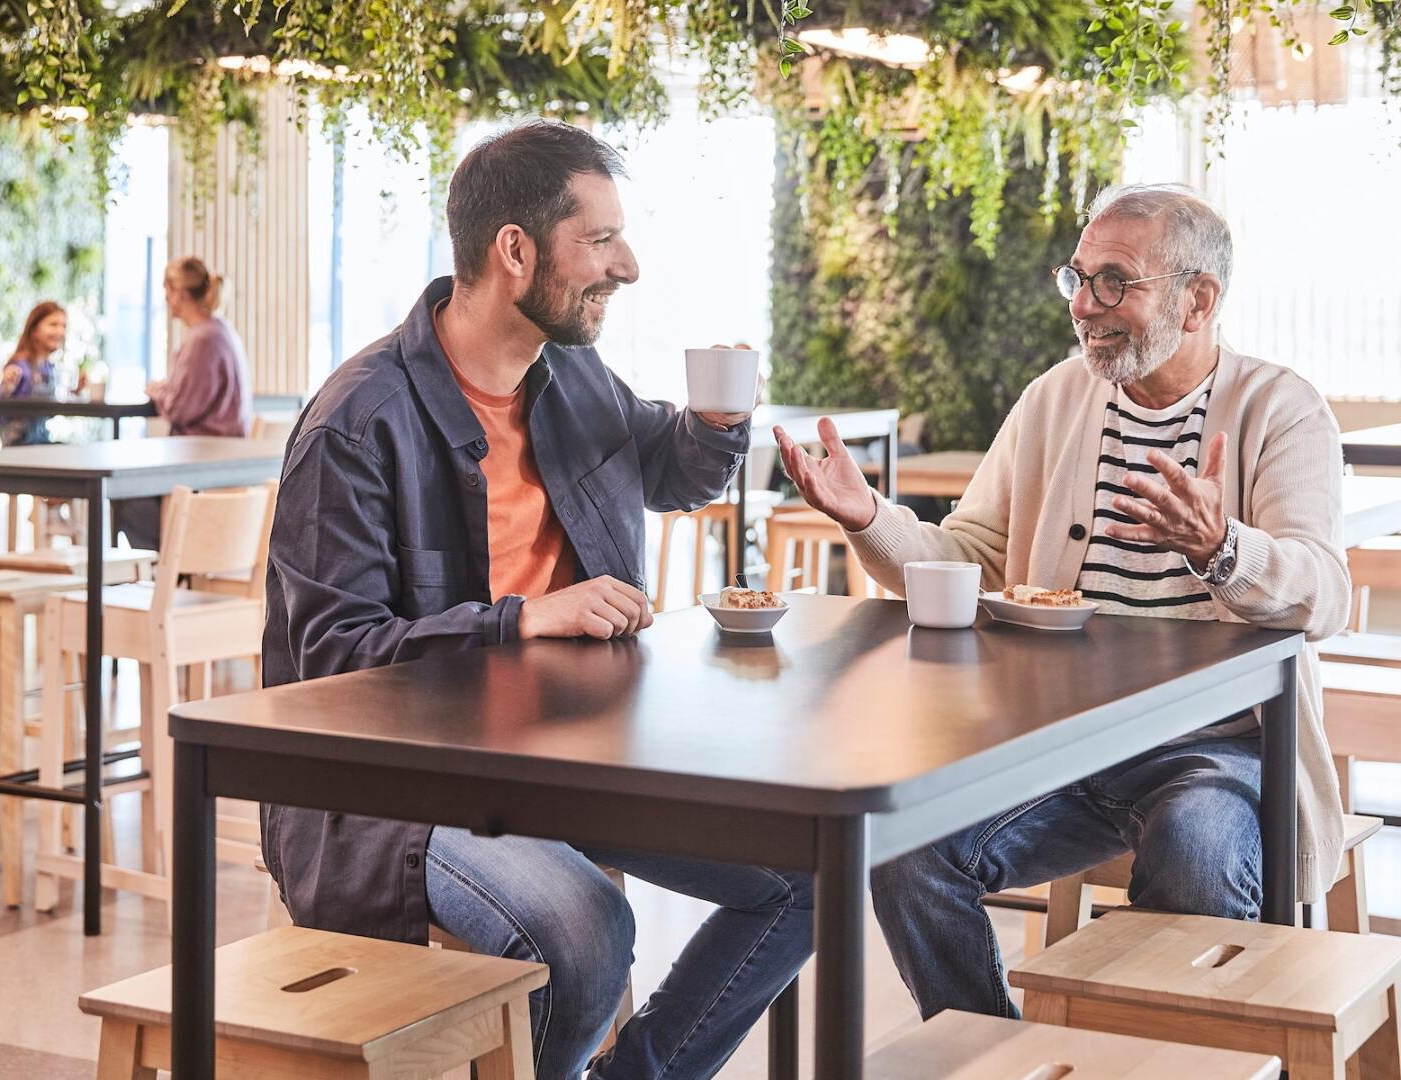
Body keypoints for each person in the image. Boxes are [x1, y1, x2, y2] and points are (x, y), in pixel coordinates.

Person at [260, 120, 811, 1079]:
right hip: (396, 791)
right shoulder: (358, 421)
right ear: (514, 250)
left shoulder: (571, 374)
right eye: (599, 242)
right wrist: (519, 621)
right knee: (587, 930)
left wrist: (718, 422)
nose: (627, 266)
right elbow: (328, 660)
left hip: (568, 756)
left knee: (807, 875)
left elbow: (666, 468)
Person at [777, 182, 1348, 1021]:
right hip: (1059, 743)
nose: (1085, 305)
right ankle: (989, 1058)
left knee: (1197, 851)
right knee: (906, 850)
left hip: (1219, 749)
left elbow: (1324, 597)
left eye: (1114, 281)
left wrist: (1219, 548)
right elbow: (970, 557)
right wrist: (870, 519)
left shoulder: (1279, 408)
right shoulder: (1054, 398)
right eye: (1076, 278)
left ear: (1198, 300)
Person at [113, 257, 252, 549]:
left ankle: (167, 573)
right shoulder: (221, 332)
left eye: (166, 289)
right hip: (220, 466)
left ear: (178, 291)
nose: (165, 298)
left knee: (124, 498)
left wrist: (158, 392)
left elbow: (181, 409)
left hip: (199, 469)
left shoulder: (202, 338)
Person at [1, 301, 66, 446]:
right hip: (19, 447)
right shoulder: (20, 367)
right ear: (34, 330)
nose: (61, 332)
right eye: (53, 324)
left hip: (40, 442)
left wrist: (76, 391)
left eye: (63, 326)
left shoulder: (48, 367)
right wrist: (5, 390)